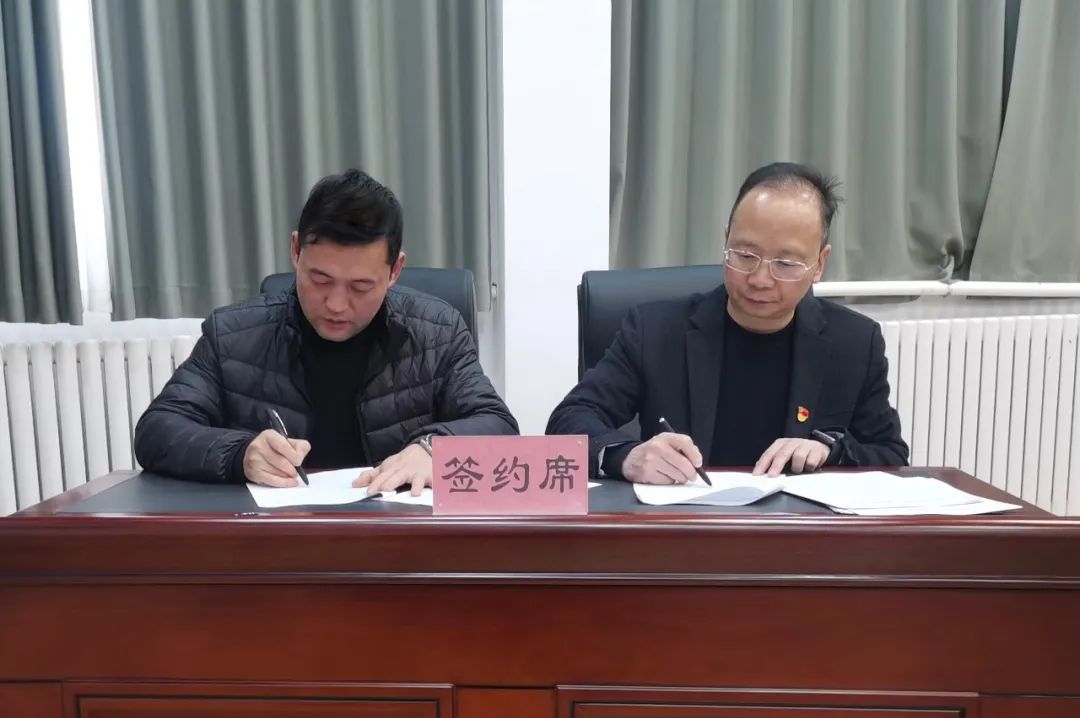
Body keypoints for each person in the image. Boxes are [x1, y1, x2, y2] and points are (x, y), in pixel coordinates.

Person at [134, 168, 517, 495]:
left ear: (395, 271)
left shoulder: (438, 332)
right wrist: (240, 454)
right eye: (320, 279)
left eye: (360, 287)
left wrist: (434, 449)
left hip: (398, 539)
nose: (335, 304)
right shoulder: (233, 335)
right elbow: (157, 430)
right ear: (296, 250)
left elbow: (498, 424)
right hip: (282, 540)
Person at [547, 162, 908, 482]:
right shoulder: (653, 331)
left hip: (797, 531)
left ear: (819, 264)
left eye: (786, 264)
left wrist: (832, 451)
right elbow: (569, 421)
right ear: (726, 241)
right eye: (745, 255)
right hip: (686, 526)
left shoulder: (855, 342)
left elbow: (890, 456)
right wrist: (625, 456)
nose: (760, 279)